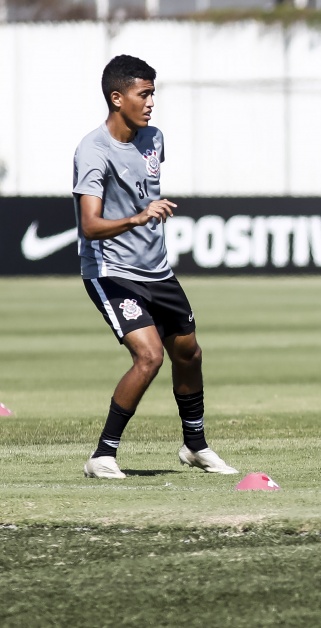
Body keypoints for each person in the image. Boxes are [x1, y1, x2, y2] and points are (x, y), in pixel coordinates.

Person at [73, 55, 237, 479]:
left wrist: (146, 217)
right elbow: (90, 226)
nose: (150, 103)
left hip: (158, 272)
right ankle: (102, 456)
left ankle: (195, 446)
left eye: (152, 94)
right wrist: (139, 217)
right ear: (116, 97)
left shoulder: (154, 138)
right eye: (143, 94)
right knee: (149, 357)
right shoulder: (93, 151)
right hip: (112, 272)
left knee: (189, 353)